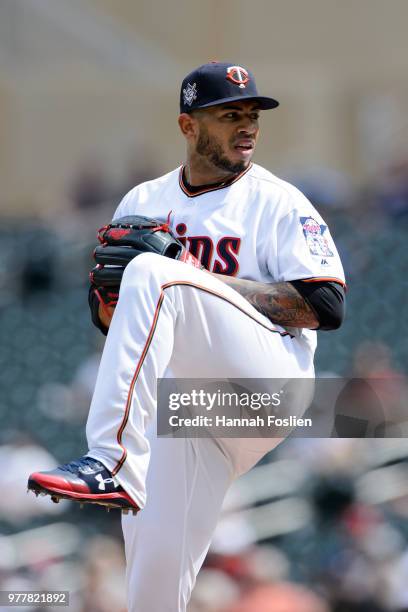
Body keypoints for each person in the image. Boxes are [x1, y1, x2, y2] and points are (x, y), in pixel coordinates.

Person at [28, 62, 346, 611]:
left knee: (155, 272)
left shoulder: (279, 202)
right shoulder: (143, 201)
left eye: (252, 115)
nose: (247, 126)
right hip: (187, 410)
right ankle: (123, 463)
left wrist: (193, 278)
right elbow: (109, 319)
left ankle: (109, 460)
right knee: (150, 594)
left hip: (268, 387)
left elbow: (326, 306)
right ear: (187, 126)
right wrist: (109, 299)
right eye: (230, 115)